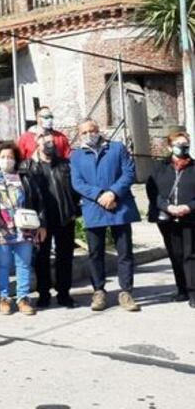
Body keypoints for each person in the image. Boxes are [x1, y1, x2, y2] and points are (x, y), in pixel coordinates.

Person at [70, 119, 141, 312]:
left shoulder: (117, 148)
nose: (89, 134)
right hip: (94, 208)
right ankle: (99, 291)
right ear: (80, 134)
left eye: (92, 130)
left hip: (119, 206)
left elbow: (128, 172)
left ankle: (126, 291)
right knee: (95, 253)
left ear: (98, 130)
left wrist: (113, 192)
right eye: (84, 132)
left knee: (125, 252)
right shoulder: (76, 156)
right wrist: (99, 195)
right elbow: (77, 182)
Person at [21, 131, 80, 309]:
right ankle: (44, 294)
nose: (50, 143)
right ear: (37, 142)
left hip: (64, 217)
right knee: (42, 257)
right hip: (41, 220)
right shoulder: (28, 166)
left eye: (52, 140)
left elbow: (74, 189)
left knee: (65, 257)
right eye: (45, 140)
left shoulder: (64, 164)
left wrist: (74, 210)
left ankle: (64, 293)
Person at [0, 143, 44, 317]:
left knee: (23, 264)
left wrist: (42, 223)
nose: (7, 160)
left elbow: (38, 200)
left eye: (10, 157)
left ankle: (23, 298)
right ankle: (4, 298)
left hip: (24, 228)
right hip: (1, 228)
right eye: (3, 157)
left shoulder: (24, 178)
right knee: (3, 265)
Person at [145, 131, 195, 307]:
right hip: (166, 217)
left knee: (190, 255)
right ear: (169, 147)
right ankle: (181, 289)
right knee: (176, 254)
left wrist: (188, 207)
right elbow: (152, 192)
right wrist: (168, 207)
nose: (183, 147)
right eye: (179, 144)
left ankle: (193, 292)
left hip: (190, 217)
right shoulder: (159, 167)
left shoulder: (193, 166)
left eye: (185, 144)